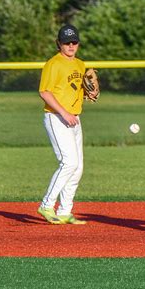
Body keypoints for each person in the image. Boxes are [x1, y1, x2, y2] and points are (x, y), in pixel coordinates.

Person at [37, 24, 98, 225]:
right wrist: (63, 112)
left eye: (74, 42)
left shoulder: (80, 65)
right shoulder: (53, 64)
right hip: (56, 117)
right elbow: (44, 92)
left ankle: (64, 211)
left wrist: (90, 93)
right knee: (68, 162)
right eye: (66, 42)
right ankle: (47, 205)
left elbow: (80, 89)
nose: (71, 45)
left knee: (78, 167)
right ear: (59, 44)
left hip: (74, 118)